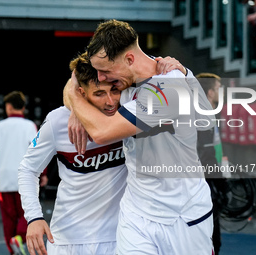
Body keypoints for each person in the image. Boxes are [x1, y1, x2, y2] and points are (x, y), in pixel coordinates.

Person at [68, 19, 215, 255]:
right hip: (136, 212)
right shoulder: (125, 83)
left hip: (181, 215)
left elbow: (102, 131)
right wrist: (77, 108)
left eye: (105, 72)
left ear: (129, 59)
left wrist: (73, 96)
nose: (102, 79)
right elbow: (80, 79)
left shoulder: (168, 86)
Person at [18, 53, 183, 255]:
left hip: (120, 238)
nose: (110, 101)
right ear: (80, 92)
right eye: (98, 94)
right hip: (66, 239)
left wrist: (172, 65)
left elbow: (149, 73)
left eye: (114, 90)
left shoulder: (128, 114)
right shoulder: (57, 121)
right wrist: (34, 217)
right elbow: (28, 169)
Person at [0, 91, 42, 255]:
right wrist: (43, 173)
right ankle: (19, 238)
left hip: (3, 178)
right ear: (23, 107)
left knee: (8, 217)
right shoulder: (30, 125)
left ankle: (13, 249)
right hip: (25, 178)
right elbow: (37, 151)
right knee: (28, 212)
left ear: (8, 107)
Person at [196, 73, 226, 255]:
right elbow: (205, 155)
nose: (221, 92)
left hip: (212, 182)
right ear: (209, 92)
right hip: (206, 186)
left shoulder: (212, 115)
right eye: (218, 88)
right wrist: (222, 184)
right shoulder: (201, 117)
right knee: (210, 240)